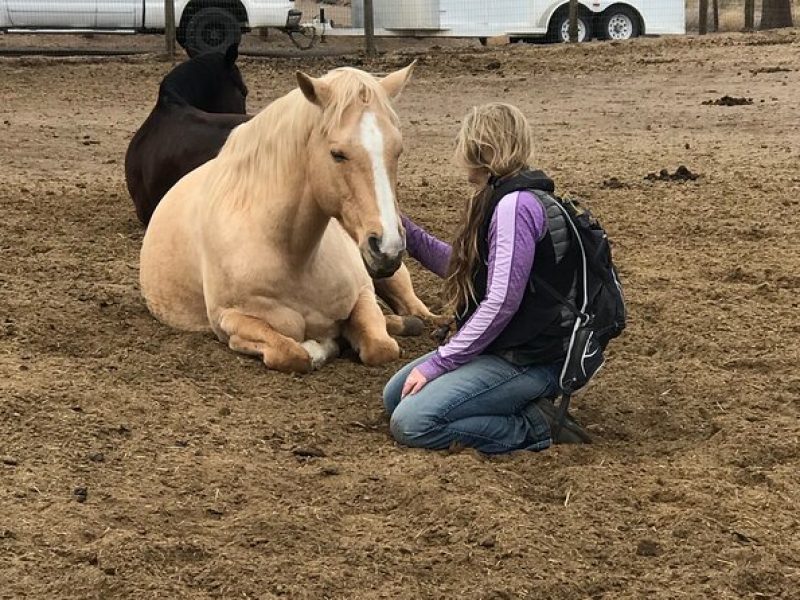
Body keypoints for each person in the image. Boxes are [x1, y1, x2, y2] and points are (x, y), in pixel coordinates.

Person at [383, 102, 592, 453]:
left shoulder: (514, 207)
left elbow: (501, 302)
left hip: (529, 359)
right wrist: (404, 231)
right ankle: (510, 404)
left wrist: (439, 363)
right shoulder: (507, 198)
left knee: (412, 423)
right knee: (395, 396)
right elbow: (471, 271)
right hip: (509, 348)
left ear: (481, 150)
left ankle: (535, 426)